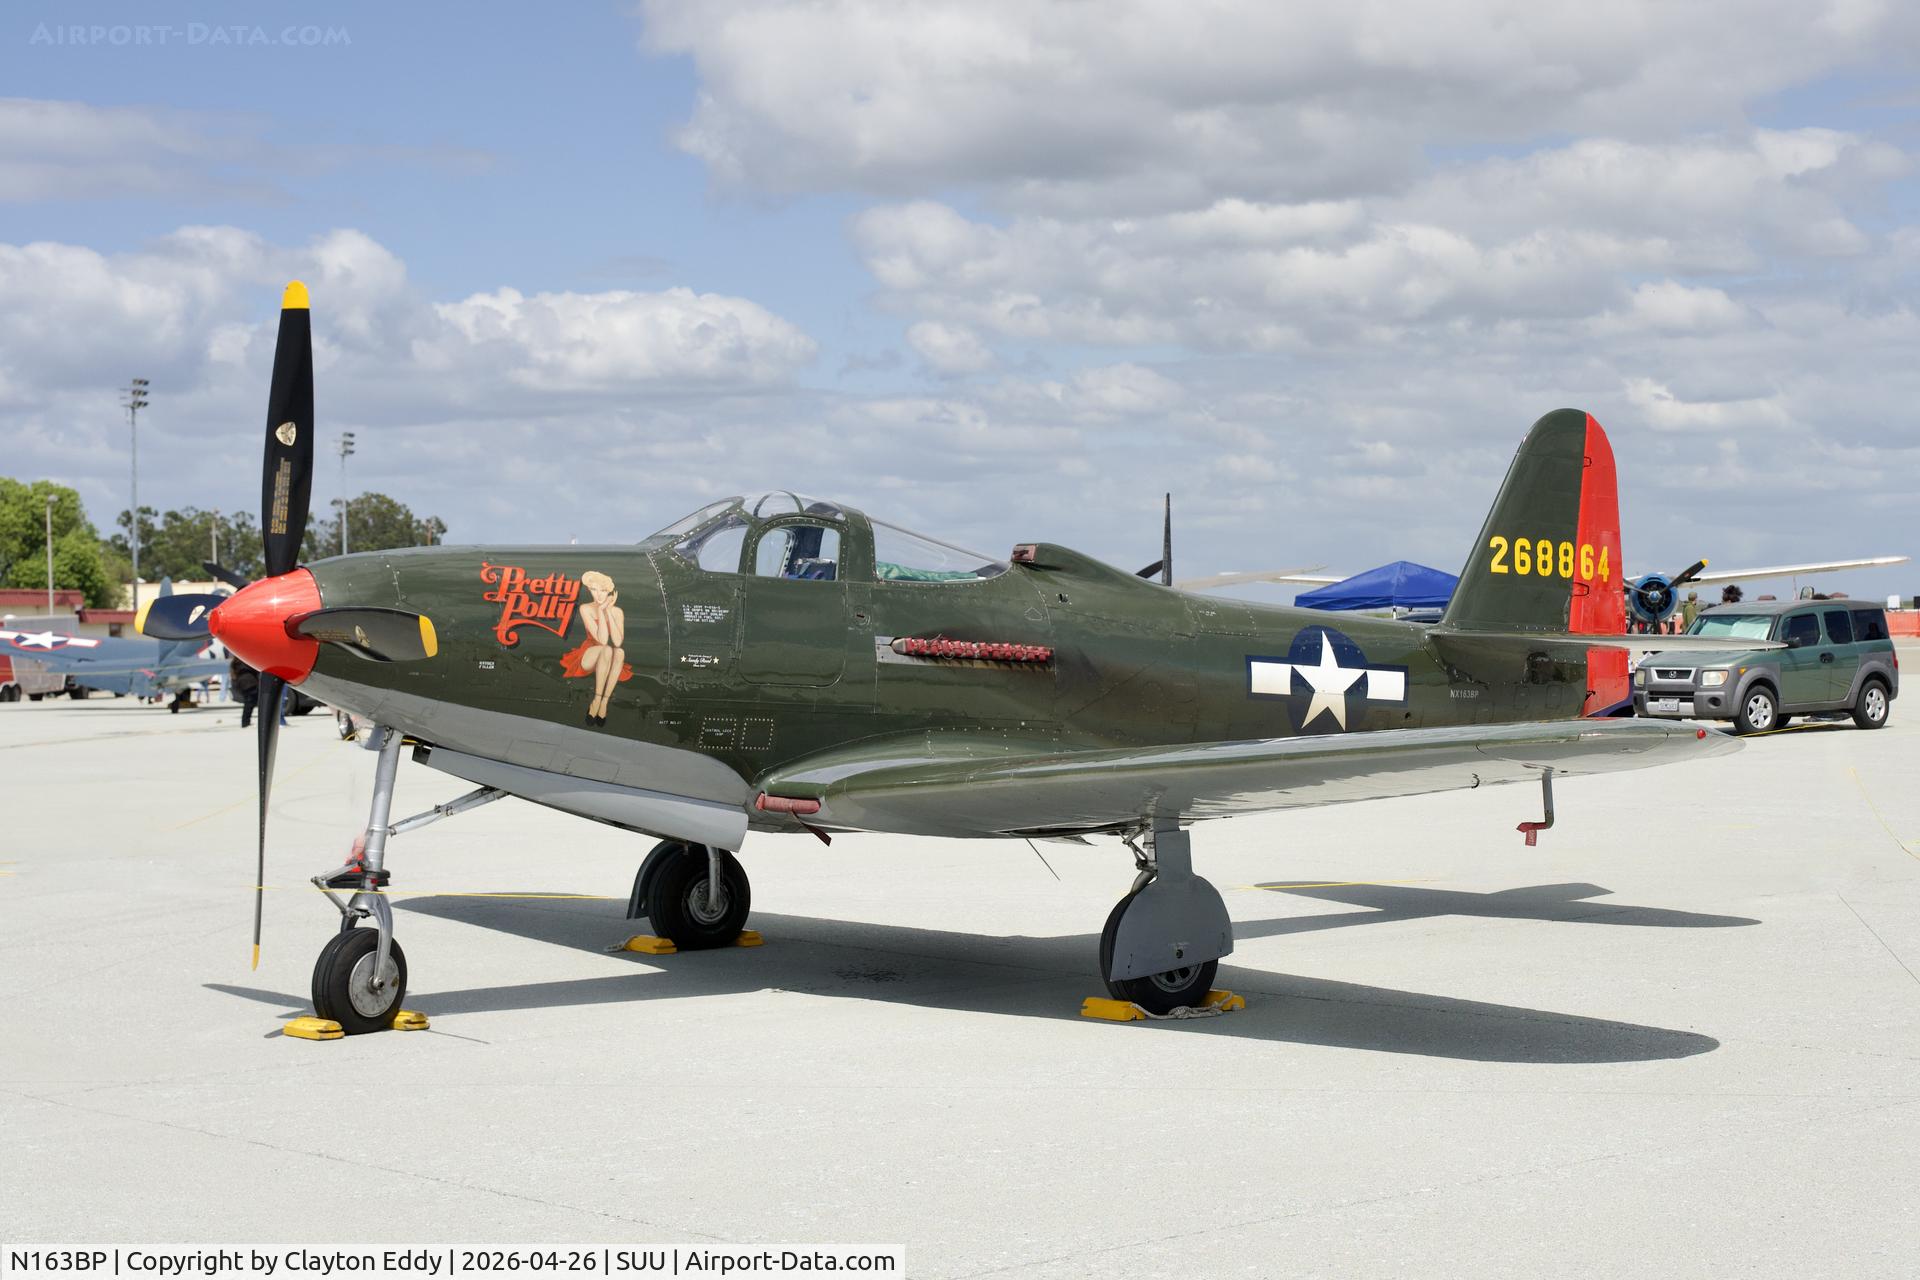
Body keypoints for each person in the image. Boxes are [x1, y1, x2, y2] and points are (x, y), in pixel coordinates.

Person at [230, 657, 260, 728]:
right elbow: (254, 669)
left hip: (244, 683)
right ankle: (245, 722)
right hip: (249, 683)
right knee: (249, 704)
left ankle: (245, 722)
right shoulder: (244, 662)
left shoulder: (236, 663)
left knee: (249, 703)